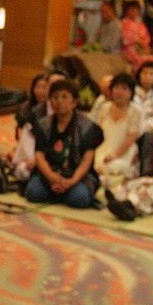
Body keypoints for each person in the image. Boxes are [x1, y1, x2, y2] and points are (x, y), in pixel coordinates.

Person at [25, 79, 103, 208]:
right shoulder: (44, 124)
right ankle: (58, 191)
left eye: (64, 97)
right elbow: (39, 155)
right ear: (50, 101)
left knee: (79, 199)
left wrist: (72, 181)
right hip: (50, 172)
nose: (59, 101)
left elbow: (87, 160)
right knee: (33, 193)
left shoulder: (87, 127)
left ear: (74, 102)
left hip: (77, 175)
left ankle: (64, 192)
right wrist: (51, 176)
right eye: (55, 97)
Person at [91, 72, 145, 192]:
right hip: (103, 147)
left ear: (131, 92)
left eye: (124, 89)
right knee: (95, 165)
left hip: (125, 151)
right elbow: (97, 132)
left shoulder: (136, 111)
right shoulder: (105, 107)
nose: (119, 92)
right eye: (116, 88)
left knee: (114, 167)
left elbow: (132, 137)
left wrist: (115, 155)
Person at [11, 71, 57, 180]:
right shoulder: (28, 110)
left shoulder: (58, 113)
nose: (40, 91)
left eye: (44, 87)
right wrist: (31, 159)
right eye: (37, 87)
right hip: (28, 153)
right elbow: (24, 137)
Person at [120, 0, 152, 68]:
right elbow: (125, 39)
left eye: (136, 10)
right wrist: (137, 42)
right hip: (127, 49)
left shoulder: (141, 24)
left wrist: (143, 46)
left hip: (141, 49)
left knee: (152, 60)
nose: (133, 12)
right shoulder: (122, 23)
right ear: (127, 11)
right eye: (131, 9)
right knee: (140, 61)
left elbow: (147, 38)